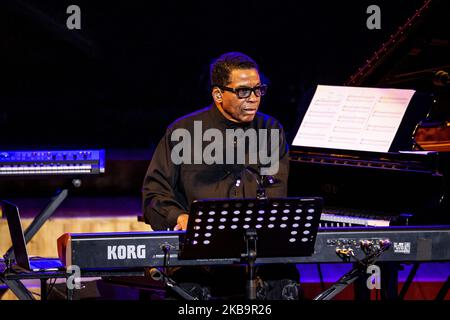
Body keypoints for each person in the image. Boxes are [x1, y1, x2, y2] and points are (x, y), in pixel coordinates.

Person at [142, 52, 300, 300]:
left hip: (258, 254)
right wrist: (180, 217)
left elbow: (275, 193)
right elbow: (154, 194)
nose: (254, 99)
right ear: (218, 95)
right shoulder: (183, 131)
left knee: (283, 283)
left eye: (259, 90)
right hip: (198, 257)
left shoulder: (270, 130)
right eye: (244, 91)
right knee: (189, 289)